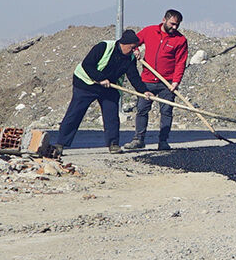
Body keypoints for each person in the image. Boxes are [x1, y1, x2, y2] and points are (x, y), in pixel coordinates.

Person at [50, 30, 144, 153]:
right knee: (75, 112)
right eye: (132, 47)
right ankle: (60, 144)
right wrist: (100, 79)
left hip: (109, 87)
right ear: (124, 44)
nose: (133, 51)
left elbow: (134, 77)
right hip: (86, 83)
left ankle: (113, 144)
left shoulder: (130, 58)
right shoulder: (104, 47)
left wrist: (144, 91)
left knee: (111, 114)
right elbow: (87, 65)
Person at [126, 9, 189, 151]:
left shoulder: (180, 40)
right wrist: (135, 49)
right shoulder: (149, 31)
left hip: (167, 83)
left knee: (166, 111)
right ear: (164, 20)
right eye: (172, 24)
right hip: (147, 80)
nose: (174, 27)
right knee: (142, 110)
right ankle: (138, 139)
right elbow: (134, 41)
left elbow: (180, 62)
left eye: (177, 25)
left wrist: (176, 82)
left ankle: (163, 141)